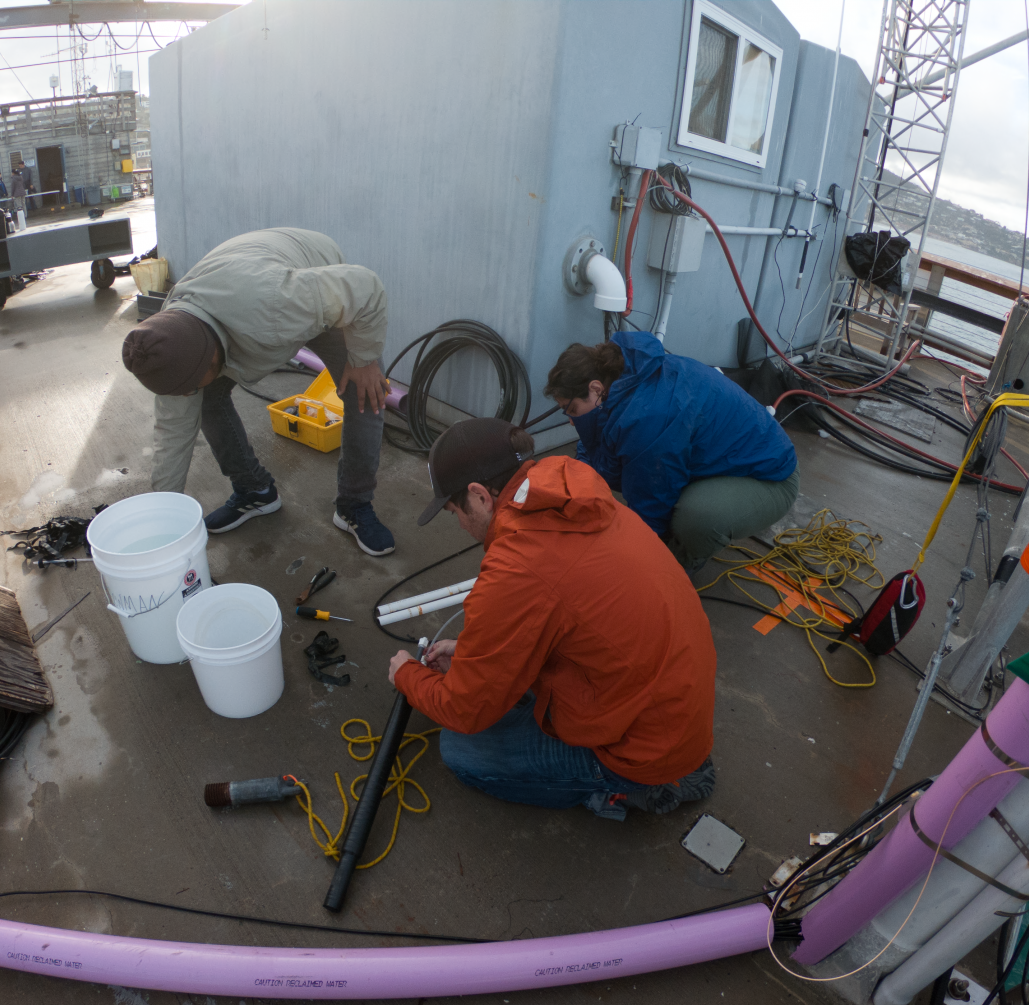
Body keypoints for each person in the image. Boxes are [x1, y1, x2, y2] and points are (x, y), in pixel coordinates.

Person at [387, 418, 717, 820]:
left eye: (456, 510)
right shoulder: (573, 495)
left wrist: (406, 674)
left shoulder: (517, 567)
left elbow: (465, 710)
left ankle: (624, 788)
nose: (459, 523)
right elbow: (565, 612)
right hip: (673, 705)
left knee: (460, 748)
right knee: (510, 691)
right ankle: (666, 767)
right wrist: (473, 652)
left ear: (479, 495)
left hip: (641, 748)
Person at [121, 227, 396, 555]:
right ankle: (255, 491)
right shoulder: (169, 346)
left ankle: (354, 504)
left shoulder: (278, 304)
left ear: (211, 360)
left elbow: (364, 286)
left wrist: (364, 360)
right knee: (205, 400)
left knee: (365, 392)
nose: (182, 396)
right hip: (250, 277)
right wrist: (164, 528)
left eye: (187, 388)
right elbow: (171, 439)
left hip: (311, 271)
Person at [545, 330, 798, 574]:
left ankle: (682, 562)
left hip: (770, 475)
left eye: (572, 409)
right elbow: (601, 444)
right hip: (726, 455)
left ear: (596, 388)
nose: (570, 419)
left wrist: (638, 565)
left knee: (694, 519)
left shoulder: (646, 416)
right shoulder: (624, 375)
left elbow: (652, 501)